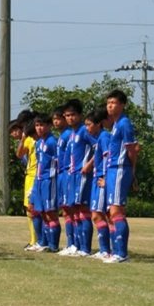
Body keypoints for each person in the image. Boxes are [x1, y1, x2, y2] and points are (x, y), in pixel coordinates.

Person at [103, 90, 138, 264]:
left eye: (114, 103)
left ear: (122, 105)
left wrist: (132, 171)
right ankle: (116, 251)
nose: (110, 106)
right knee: (112, 212)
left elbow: (132, 149)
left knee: (117, 211)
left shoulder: (124, 123)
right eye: (108, 103)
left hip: (119, 168)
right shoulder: (116, 124)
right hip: (112, 170)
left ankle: (122, 253)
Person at [61, 99, 94, 257]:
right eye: (67, 115)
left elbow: (99, 147)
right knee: (73, 211)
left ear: (80, 115)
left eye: (73, 115)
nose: (70, 118)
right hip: (72, 176)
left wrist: (89, 165)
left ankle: (85, 248)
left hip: (82, 176)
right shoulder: (71, 134)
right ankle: (75, 245)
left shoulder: (84, 131)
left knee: (83, 210)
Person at [10, 110, 41, 250]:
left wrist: (23, 138)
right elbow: (20, 154)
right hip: (31, 175)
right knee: (31, 209)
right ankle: (35, 240)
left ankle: (37, 241)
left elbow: (19, 153)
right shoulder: (32, 138)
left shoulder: (33, 138)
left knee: (33, 209)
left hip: (35, 175)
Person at [31, 113, 61, 252]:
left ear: (49, 126)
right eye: (37, 125)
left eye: (42, 125)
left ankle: (54, 246)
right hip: (39, 180)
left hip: (49, 180)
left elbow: (59, 161)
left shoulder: (52, 142)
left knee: (50, 213)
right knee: (41, 212)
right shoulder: (38, 143)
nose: (39, 128)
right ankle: (45, 243)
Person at [85, 108, 112, 260]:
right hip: (96, 179)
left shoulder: (104, 137)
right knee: (96, 215)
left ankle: (106, 250)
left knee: (100, 214)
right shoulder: (98, 139)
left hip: (102, 179)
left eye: (89, 124)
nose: (87, 128)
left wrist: (106, 178)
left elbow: (109, 157)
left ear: (98, 124)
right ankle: (104, 250)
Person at [53, 106, 75, 255]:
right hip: (61, 174)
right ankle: (70, 243)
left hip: (68, 173)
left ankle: (75, 244)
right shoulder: (61, 136)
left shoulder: (68, 134)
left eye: (59, 118)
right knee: (66, 210)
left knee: (72, 210)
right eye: (54, 119)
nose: (56, 121)